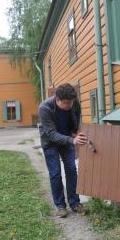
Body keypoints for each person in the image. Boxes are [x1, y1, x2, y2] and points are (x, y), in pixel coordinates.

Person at [38, 83, 88, 218]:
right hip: (50, 142)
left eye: (71, 102)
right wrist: (72, 140)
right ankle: (60, 206)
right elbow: (52, 134)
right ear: (57, 99)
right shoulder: (45, 108)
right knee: (55, 173)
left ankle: (75, 203)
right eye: (66, 103)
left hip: (66, 140)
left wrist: (74, 133)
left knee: (71, 169)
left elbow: (76, 119)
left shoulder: (74, 103)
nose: (69, 105)